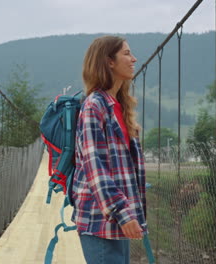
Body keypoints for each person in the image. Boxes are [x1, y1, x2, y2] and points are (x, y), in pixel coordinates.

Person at [71, 35, 147, 264]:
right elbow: (96, 169)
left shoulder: (118, 107)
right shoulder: (94, 106)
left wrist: (130, 213)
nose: (134, 59)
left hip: (117, 218)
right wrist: (123, 213)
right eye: (126, 53)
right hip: (100, 219)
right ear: (109, 61)